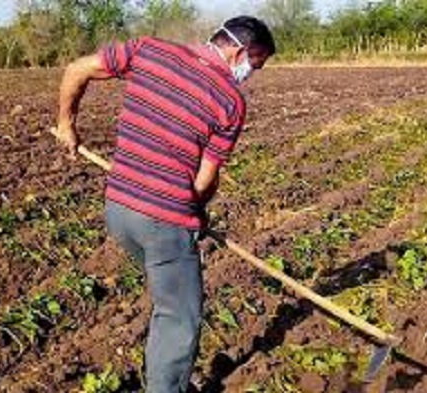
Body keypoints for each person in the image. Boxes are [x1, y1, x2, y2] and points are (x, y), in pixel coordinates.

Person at [55, 16, 276, 392]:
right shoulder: (230, 101)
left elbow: (79, 68)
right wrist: (196, 212)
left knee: (168, 287)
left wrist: (66, 123)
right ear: (239, 52)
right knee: (180, 315)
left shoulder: (149, 50)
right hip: (163, 222)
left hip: (119, 209)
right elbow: (204, 180)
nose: (250, 74)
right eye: (254, 65)